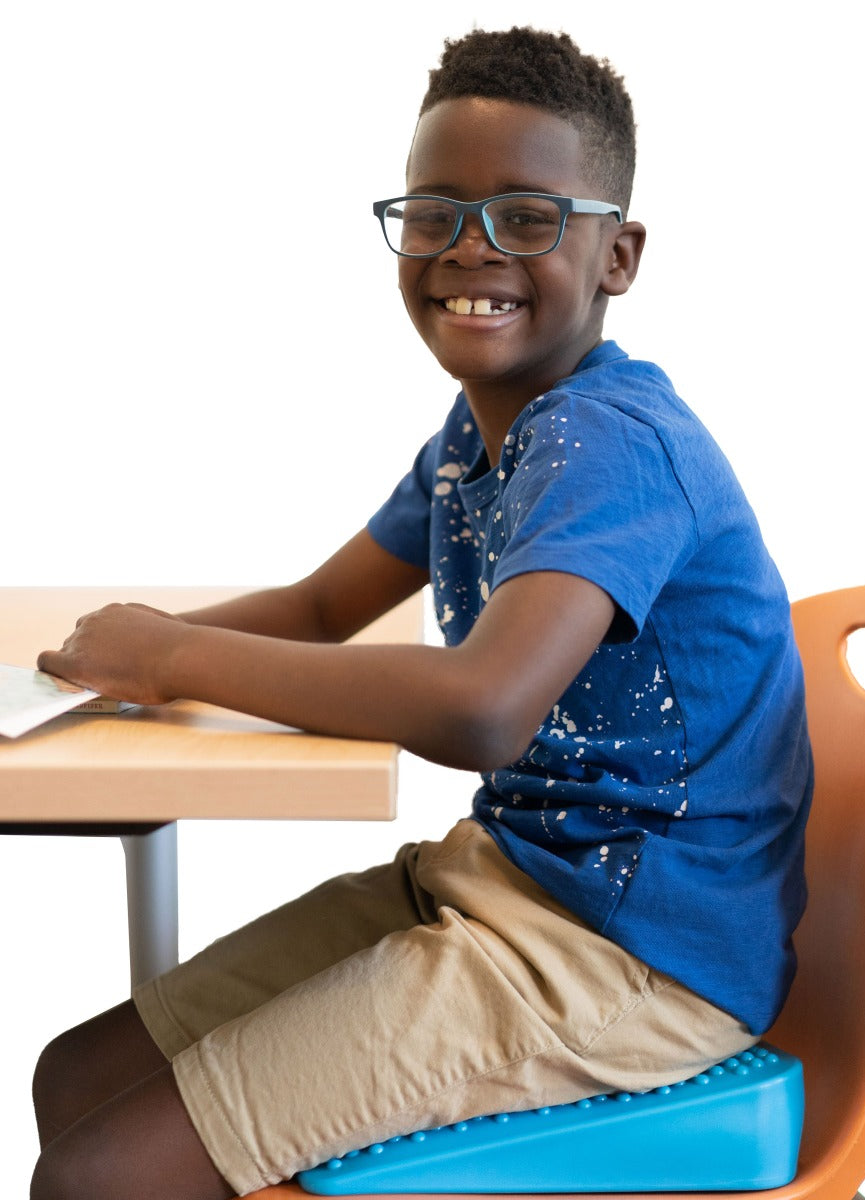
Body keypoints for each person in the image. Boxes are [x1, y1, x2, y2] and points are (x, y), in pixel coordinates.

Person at [30, 26, 813, 1200]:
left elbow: (483, 710)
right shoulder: (479, 439)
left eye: (528, 216)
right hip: (509, 883)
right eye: (437, 212)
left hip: (635, 961)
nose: (470, 249)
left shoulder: (613, 446)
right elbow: (316, 606)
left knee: (105, 1174)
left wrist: (180, 651)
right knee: (78, 1077)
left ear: (619, 255)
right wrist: (119, 665)